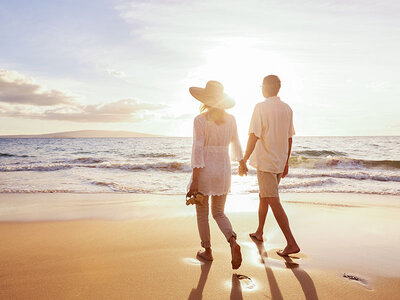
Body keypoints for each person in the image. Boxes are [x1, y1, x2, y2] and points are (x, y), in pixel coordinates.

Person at [187, 80, 245, 269]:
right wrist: (241, 162)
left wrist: (195, 179)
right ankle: (232, 241)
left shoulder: (200, 120)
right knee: (219, 212)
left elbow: (198, 148)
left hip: (205, 170)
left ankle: (208, 251)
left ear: (205, 99)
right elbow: (236, 143)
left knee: (202, 214)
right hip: (223, 169)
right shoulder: (231, 119)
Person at [240, 75, 300, 256]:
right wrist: (286, 161)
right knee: (264, 197)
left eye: (262, 85)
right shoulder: (287, 109)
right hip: (279, 162)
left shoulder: (260, 107)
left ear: (266, 87)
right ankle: (259, 231)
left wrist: (244, 159)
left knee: (273, 200)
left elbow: (254, 135)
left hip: (266, 163)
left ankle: (291, 242)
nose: (261, 88)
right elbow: (289, 138)